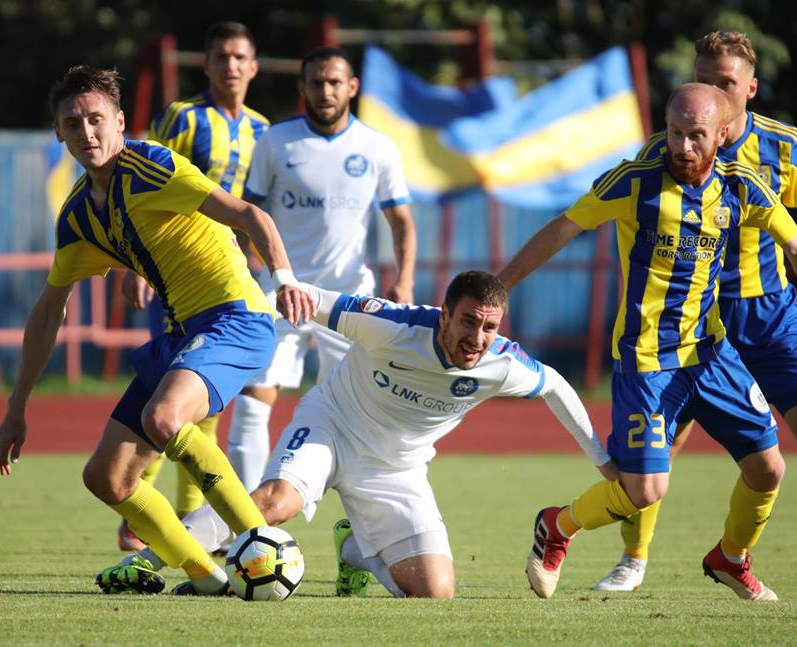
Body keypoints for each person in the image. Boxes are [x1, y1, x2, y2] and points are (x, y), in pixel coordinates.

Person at [499, 83, 797, 601]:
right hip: (646, 360)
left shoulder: (742, 186)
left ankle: (730, 558)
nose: (683, 146)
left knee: (768, 468)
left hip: (710, 354)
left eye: (696, 135)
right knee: (644, 490)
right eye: (675, 132)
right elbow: (563, 228)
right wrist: (500, 288)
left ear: (722, 134)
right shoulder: (634, 181)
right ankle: (557, 526)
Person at [592, 31, 797, 597]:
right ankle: (632, 559)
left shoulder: (783, 146)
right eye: (702, 79)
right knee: (665, 444)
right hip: (695, 320)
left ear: (751, 89)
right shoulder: (662, 152)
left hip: (770, 312)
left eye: (725, 82)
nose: (712, 91)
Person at [0, 65, 313, 596]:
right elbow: (48, 312)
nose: (86, 132)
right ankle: (206, 579)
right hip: (181, 334)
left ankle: (262, 544)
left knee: (163, 417)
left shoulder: (152, 166)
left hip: (236, 318)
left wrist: (285, 280)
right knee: (106, 478)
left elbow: (248, 214)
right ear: (59, 134)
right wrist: (15, 408)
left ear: (120, 122)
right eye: (73, 123)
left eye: (96, 119)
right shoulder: (77, 217)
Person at [102, 271, 614, 598]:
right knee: (274, 502)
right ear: (444, 315)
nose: (476, 338)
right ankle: (147, 561)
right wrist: (227, 330)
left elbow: (557, 387)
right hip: (331, 427)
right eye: (467, 322)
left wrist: (601, 460)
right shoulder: (391, 325)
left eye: (489, 327)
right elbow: (302, 298)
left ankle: (354, 549)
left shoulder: (503, 362)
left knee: (436, 593)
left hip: (397, 468)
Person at [225, 46, 416, 496]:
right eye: (316, 82)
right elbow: (248, 215)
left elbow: (401, 221)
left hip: (348, 300)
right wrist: (252, 272)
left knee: (359, 415)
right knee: (252, 405)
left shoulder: (376, 147)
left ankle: (356, 521)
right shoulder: (276, 142)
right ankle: (246, 523)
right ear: (303, 88)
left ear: (352, 87)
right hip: (281, 295)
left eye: (334, 82)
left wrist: (404, 281)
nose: (325, 91)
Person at [117, 21, 270, 551]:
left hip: (232, 281)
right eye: (221, 56)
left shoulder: (262, 130)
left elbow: (261, 206)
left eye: (239, 57)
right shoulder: (184, 117)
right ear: (205, 64)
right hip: (179, 275)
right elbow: (137, 184)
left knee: (203, 401)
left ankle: (181, 521)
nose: (230, 65)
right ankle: (141, 507)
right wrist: (136, 268)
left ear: (254, 67)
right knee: (174, 390)